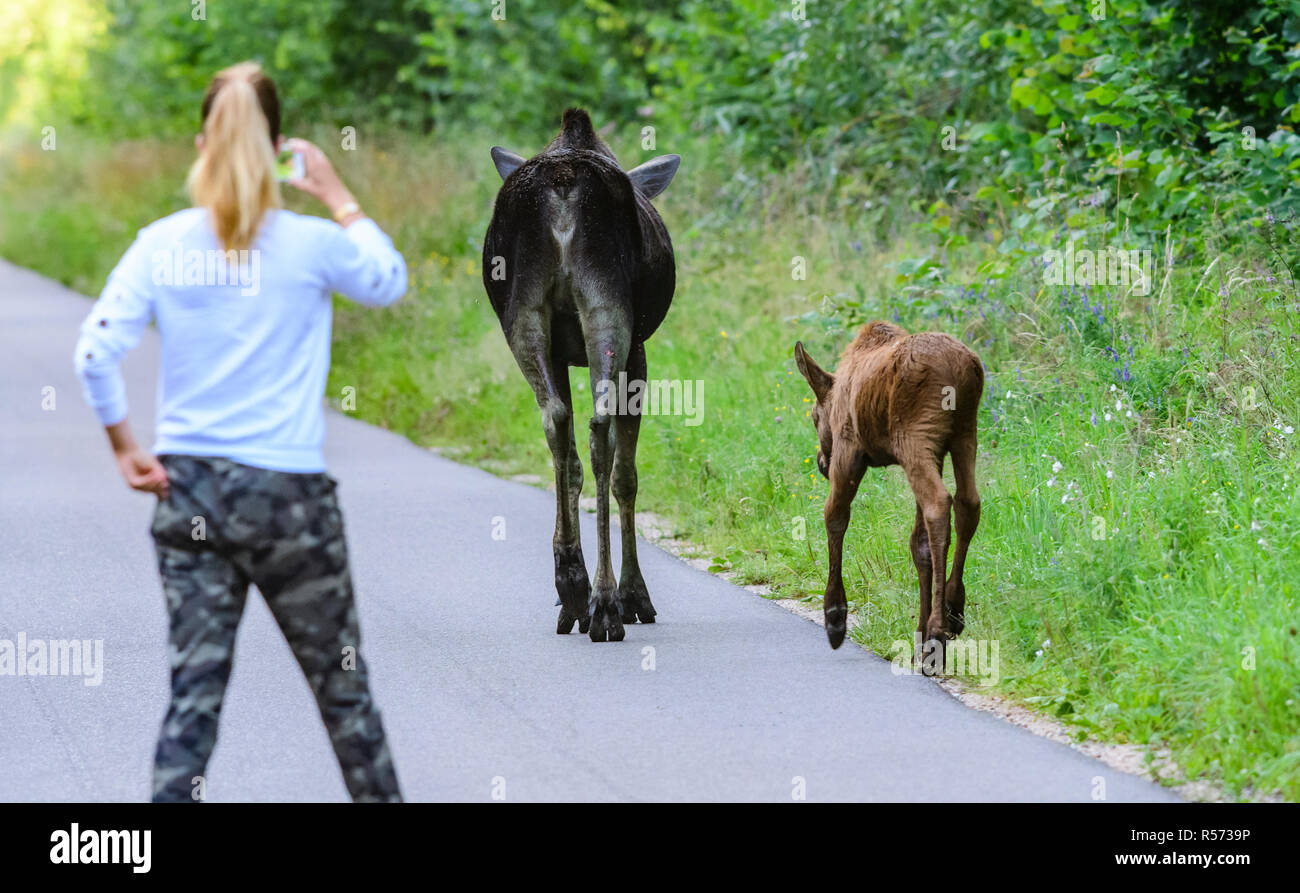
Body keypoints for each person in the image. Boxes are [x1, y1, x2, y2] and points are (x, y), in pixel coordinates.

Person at [73, 61, 404, 802]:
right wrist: (338, 194)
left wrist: (126, 446)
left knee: (194, 699)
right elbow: (388, 280)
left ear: (202, 144)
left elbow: (94, 350)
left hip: (189, 492)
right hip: (292, 501)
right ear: (280, 146)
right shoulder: (313, 245)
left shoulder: (162, 243)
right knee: (345, 697)